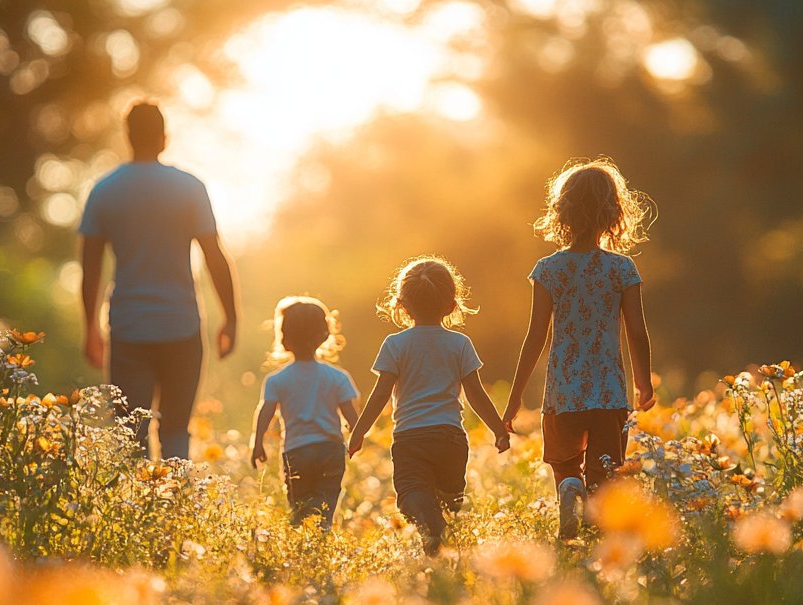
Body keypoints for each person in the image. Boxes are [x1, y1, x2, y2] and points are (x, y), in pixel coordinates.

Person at [502, 158, 657, 540]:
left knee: (564, 463)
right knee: (605, 473)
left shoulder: (549, 269)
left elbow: (535, 336)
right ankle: (593, 527)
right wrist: (643, 383)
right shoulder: (621, 269)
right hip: (608, 392)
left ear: (562, 212)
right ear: (615, 212)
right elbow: (637, 332)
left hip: (563, 391)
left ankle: (568, 487)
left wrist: (516, 397)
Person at [78, 99, 237, 460]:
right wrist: (231, 317)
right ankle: (176, 509)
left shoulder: (105, 190)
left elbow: (90, 269)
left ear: (128, 137)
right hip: (181, 325)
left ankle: (138, 512)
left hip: (129, 327)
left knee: (128, 433)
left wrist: (90, 328)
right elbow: (215, 256)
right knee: (176, 431)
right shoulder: (189, 187)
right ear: (164, 138)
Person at [348, 257, 510, 555]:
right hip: (451, 438)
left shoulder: (395, 345)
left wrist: (358, 432)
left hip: (411, 438)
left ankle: (432, 527)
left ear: (402, 306)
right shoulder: (459, 343)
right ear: (451, 305)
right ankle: (437, 540)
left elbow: (380, 394)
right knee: (450, 499)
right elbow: (475, 393)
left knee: (411, 495)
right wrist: (499, 429)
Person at [250, 297, 359, 531]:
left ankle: (301, 542)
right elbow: (351, 414)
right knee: (327, 499)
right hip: (331, 448)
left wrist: (257, 443)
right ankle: (321, 534)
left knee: (299, 504)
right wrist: (357, 436)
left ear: (284, 338)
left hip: (296, 451)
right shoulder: (337, 377)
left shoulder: (277, 380)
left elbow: (265, 413)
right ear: (324, 335)